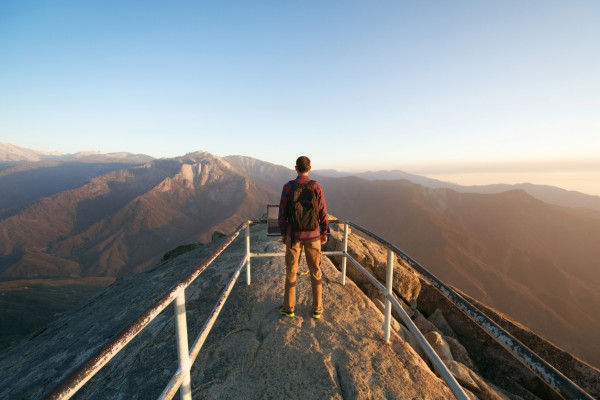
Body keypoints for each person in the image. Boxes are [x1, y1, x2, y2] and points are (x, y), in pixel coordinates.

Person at [278, 156, 329, 319]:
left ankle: (289, 308)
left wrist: (283, 233)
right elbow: (322, 211)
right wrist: (324, 232)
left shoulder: (288, 187)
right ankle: (317, 308)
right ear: (310, 167)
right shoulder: (316, 186)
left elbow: (282, 212)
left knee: (291, 271)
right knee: (316, 271)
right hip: (313, 235)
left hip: (294, 235)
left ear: (295, 168)